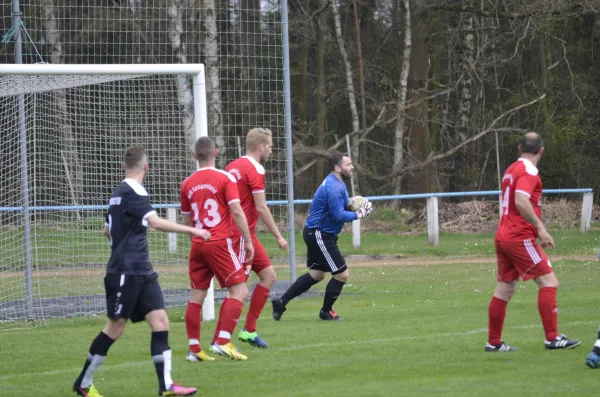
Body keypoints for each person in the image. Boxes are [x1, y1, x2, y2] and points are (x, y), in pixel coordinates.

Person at [73, 145, 209, 397]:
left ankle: (166, 386)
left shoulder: (118, 192)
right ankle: (83, 382)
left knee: (160, 321)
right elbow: (155, 222)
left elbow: (107, 230)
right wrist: (193, 230)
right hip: (126, 270)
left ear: (124, 166)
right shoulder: (134, 192)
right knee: (115, 327)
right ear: (146, 167)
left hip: (142, 270)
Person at [486, 132, 580, 352]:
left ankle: (494, 342)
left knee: (504, 290)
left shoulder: (511, 169)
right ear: (541, 150)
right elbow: (521, 201)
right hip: (519, 236)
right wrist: (541, 228)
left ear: (520, 148)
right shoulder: (529, 171)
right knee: (549, 282)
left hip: (503, 235)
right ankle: (552, 338)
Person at [203, 128, 287, 349]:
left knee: (268, 276)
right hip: (240, 236)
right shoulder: (256, 169)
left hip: (243, 234)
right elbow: (261, 207)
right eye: (269, 146)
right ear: (261, 147)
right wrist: (278, 235)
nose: (271, 149)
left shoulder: (232, 166)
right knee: (237, 289)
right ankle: (219, 341)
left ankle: (249, 330)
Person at [271, 152, 372, 321]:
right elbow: (338, 216)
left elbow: (339, 210)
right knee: (342, 274)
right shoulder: (334, 187)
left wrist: (353, 206)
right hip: (320, 234)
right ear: (337, 168)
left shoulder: (337, 183)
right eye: (348, 164)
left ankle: (281, 302)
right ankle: (326, 311)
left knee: (317, 274)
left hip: (317, 233)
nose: (352, 167)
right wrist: (359, 214)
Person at [181, 136, 254, 362]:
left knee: (196, 297)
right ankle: (222, 342)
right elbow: (237, 211)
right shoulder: (225, 178)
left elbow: (187, 221)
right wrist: (248, 240)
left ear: (195, 156)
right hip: (219, 242)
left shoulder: (187, 183)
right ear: (217, 152)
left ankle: (194, 349)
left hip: (198, 244)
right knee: (239, 291)